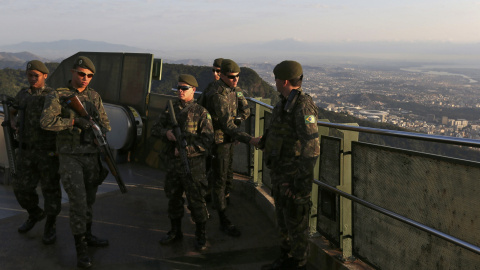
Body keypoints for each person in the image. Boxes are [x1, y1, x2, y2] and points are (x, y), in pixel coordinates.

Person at [40, 56, 110, 269]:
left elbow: (105, 124)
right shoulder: (58, 95)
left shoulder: (94, 97)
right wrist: (73, 121)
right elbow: (46, 122)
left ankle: (87, 235)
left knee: (89, 201)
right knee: (78, 202)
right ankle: (81, 249)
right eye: (81, 74)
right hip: (70, 157)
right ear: (72, 72)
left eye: (89, 76)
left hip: (91, 156)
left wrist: (96, 126)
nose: (85, 78)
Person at [251, 61, 320, 270]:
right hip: (281, 174)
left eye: (277, 80)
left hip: (293, 177)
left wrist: (299, 184)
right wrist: (263, 142)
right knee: (283, 220)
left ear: (286, 81)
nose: (275, 83)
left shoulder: (302, 105)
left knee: (296, 225)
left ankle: (298, 263)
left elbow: (312, 147)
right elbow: (279, 133)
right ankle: (285, 259)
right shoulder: (284, 102)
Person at [151, 74, 213, 251]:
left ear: (193, 90)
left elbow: (207, 141)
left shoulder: (201, 113)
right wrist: (167, 134)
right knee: (173, 198)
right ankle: (175, 231)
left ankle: (201, 235)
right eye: (178, 87)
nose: (180, 91)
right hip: (173, 165)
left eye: (184, 88)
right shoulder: (169, 109)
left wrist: (187, 150)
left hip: (193, 167)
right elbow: (155, 128)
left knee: (197, 201)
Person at [10, 60, 61, 245]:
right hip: (25, 151)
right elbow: (12, 111)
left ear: (45, 76)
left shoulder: (51, 95)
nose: (32, 79)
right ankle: (35, 214)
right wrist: (14, 122)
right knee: (21, 188)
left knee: (50, 190)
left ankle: (51, 223)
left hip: (46, 152)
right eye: (29, 75)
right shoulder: (22, 94)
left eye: (36, 76)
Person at [203, 59, 254, 237]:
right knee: (219, 179)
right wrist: (249, 139)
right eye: (232, 77)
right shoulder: (217, 94)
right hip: (218, 141)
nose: (236, 80)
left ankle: (220, 203)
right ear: (223, 75)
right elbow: (225, 124)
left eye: (238, 76)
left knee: (225, 175)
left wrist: (237, 125)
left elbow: (245, 111)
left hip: (227, 140)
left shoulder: (234, 91)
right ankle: (223, 218)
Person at [197, 58, 223, 203]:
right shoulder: (210, 88)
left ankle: (222, 199)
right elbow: (199, 105)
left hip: (223, 138)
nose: (215, 74)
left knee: (222, 171)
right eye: (213, 70)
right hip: (208, 135)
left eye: (218, 71)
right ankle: (208, 196)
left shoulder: (232, 91)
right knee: (208, 166)